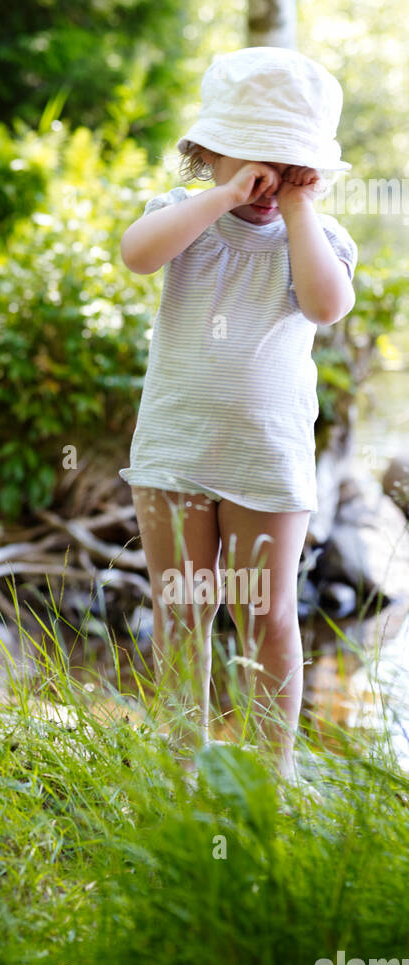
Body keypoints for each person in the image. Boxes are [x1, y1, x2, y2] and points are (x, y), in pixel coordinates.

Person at [118, 46, 357, 784]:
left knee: (268, 615)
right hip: (176, 452)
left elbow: (327, 304)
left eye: (289, 167)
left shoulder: (315, 238)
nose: (267, 182)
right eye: (256, 162)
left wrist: (295, 209)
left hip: (266, 459)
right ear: (210, 150)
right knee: (182, 609)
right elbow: (136, 255)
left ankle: (271, 769)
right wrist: (222, 198)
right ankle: (177, 759)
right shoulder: (182, 218)